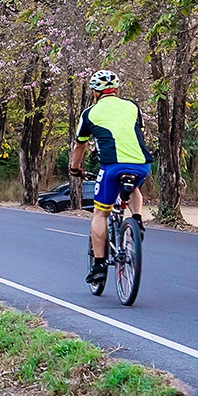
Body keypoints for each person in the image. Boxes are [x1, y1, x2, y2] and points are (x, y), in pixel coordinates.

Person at [68, 70, 153, 286]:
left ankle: (98, 265)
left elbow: (80, 145)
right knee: (133, 186)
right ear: (116, 90)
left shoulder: (90, 113)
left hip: (112, 167)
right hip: (142, 165)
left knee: (100, 214)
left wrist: (74, 168)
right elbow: (134, 132)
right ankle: (137, 220)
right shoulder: (133, 107)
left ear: (95, 92)